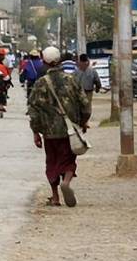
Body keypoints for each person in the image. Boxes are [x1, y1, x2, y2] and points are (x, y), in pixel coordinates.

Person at [27, 46, 90, 208]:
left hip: (49, 133)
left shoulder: (41, 83)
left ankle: (55, 197)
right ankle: (67, 181)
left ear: (45, 62)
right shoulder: (72, 80)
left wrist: (36, 132)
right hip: (69, 131)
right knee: (68, 159)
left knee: (52, 162)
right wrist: (83, 122)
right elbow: (85, 104)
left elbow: (33, 110)